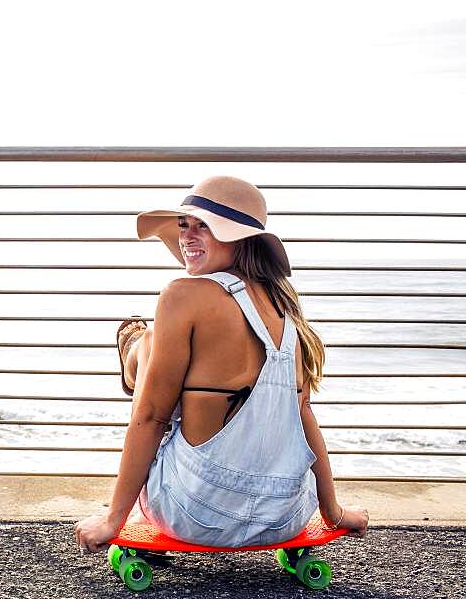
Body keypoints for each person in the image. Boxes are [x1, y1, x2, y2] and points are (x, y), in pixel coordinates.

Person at [75, 176, 369, 552]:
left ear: (238, 238)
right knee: (182, 362)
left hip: (195, 513)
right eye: (184, 224)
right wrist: (333, 512)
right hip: (284, 515)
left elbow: (151, 416)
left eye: (204, 227)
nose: (186, 237)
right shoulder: (287, 311)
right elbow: (304, 416)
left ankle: (135, 349)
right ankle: (140, 347)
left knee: (152, 352)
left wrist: (113, 518)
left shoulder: (181, 295)